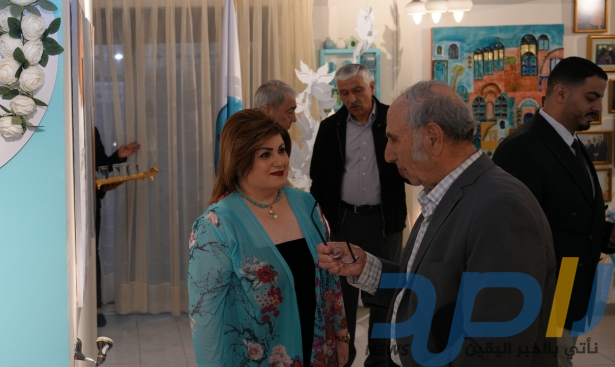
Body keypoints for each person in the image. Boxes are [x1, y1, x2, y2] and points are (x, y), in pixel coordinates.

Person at [318, 81, 557, 367]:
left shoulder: (501, 207)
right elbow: (433, 287)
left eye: (394, 139)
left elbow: (492, 350)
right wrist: (368, 269)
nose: (388, 154)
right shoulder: (447, 192)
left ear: (432, 138)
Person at [189, 109, 348, 367]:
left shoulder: (307, 205)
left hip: (319, 350)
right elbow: (205, 317)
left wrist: (341, 334)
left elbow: (330, 278)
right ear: (239, 161)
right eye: (265, 154)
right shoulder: (215, 226)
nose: (280, 161)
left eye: (281, 150)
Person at [493, 57, 615, 367]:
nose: (598, 108)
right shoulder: (521, 148)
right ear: (560, 93)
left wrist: (606, 234)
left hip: (571, 289)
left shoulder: (572, 143)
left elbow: (566, 214)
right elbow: (511, 238)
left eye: (600, 98)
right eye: (592, 97)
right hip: (545, 295)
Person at [308, 64, 407, 367]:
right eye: (344, 93)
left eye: (357, 90)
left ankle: (379, 361)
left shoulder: (394, 120)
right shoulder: (331, 127)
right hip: (345, 223)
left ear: (372, 87)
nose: (351, 98)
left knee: (385, 295)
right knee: (345, 299)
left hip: (385, 223)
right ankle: (344, 360)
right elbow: (318, 181)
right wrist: (322, 226)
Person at [93, 127, 140, 327]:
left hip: (91, 203)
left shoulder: (92, 130)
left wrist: (117, 157)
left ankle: (96, 308)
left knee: (91, 254)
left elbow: (101, 165)